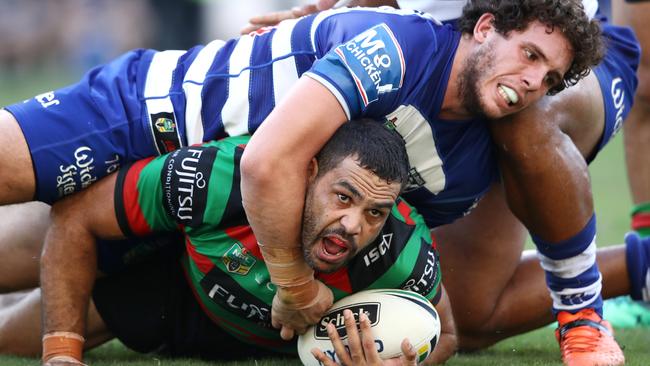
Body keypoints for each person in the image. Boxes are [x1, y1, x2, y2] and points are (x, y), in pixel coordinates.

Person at [0, 0, 603, 364]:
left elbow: (398, 249)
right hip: (160, 116)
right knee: (15, 184)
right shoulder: (400, 46)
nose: (533, 81)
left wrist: (399, 346)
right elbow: (268, 164)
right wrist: (293, 287)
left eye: (550, 77)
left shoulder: (468, 167)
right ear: (486, 27)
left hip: (222, 211)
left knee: (33, 317)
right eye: (528, 55)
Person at [239, 1, 639, 365]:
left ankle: (582, 314)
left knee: (527, 96)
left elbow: (550, 29)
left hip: (579, 45)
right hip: (473, 52)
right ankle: (642, 266)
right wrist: (328, 13)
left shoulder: (536, 63)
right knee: (468, 314)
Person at [37, 120, 456, 365]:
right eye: (343, 197)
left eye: (374, 213)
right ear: (308, 172)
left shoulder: (402, 251)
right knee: (13, 333)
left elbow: (447, 335)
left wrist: (401, 363)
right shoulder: (217, 177)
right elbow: (77, 216)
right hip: (176, 288)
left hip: (254, 341)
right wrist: (60, 353)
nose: (352, 224)